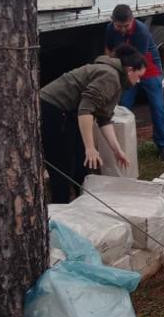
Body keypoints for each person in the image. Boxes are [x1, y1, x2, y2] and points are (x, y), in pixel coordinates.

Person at [40, 45, 145, 203]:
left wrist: (117, 150)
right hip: (51, 110)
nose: (139, 81)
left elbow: (103, 118)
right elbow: (85, 109)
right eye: (138, 76)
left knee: (82, 162)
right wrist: (90, 147)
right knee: (63, 167)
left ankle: (84, 203)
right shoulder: (110, 76)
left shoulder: (117, 81)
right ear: (130, 70)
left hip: (68, 113)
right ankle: (59, 212)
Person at [105, 5, 164, 162]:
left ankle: (163, 145)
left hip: (146, 65)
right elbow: (109, 51)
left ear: (132, 20)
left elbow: (137, 61)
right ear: (113, 22)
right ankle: (122, 145)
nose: (121, 30)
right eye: (118, 26)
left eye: (125, 26)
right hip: (126, 66)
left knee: (157, 105)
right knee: (123, 106)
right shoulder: (110, 29)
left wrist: (128, 77)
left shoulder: (141, 31)